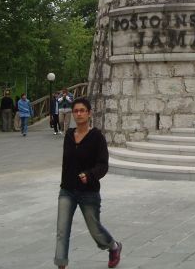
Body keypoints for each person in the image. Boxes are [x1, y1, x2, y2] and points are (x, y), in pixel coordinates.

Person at [54, 97, 122, 269]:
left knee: (95, 229)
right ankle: (61, 264)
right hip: (67, 190)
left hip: (88, 191)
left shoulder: (97, 137)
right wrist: (65, 182)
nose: (79, 114)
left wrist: (90, 175)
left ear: (89, 113)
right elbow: (67, 163)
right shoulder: (69, 136)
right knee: (62, 230)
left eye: (82, 110)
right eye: (76, 111)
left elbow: (103, 165)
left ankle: (114, 247)